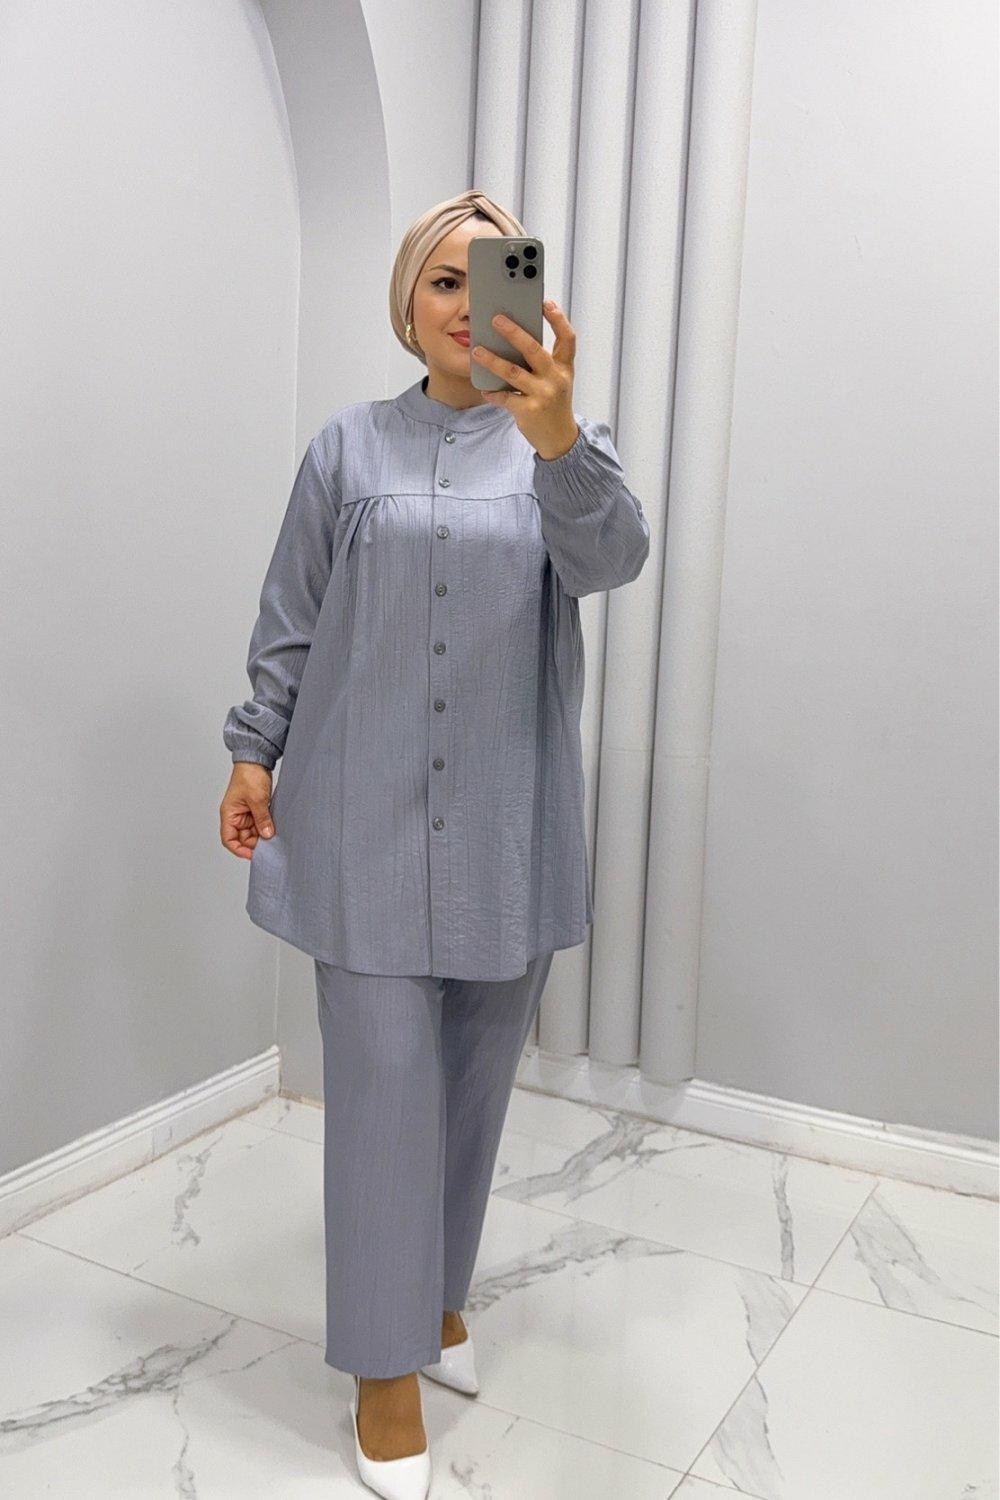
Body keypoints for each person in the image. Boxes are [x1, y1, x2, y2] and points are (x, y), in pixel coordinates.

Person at [219, 188, 649, 1498]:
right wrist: (253, 746)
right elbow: (292, 612)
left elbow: (613, 561)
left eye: (490, 277)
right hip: (360, 818)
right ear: (408, 307)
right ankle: (385, 1370)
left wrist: (558, 439)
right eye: (443, 281)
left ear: (528, 298)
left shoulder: (563, 449)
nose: (468, 305)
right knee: (384, 1092)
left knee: (469, 1087)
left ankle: (440, 1303)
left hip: (507, 824)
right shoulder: (346, 450)